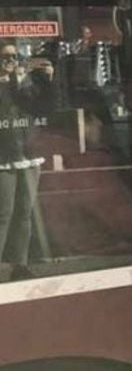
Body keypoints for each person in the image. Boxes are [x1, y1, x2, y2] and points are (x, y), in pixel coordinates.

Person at [0, 42, 54, 281]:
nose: (11, 60)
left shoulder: (25, 82)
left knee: (25, 211)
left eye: (14, 56)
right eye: (5, 56)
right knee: (3, 213)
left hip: (29, 152)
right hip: (3, 155)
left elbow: (45, 108)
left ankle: (19, 265)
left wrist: (48, 81)